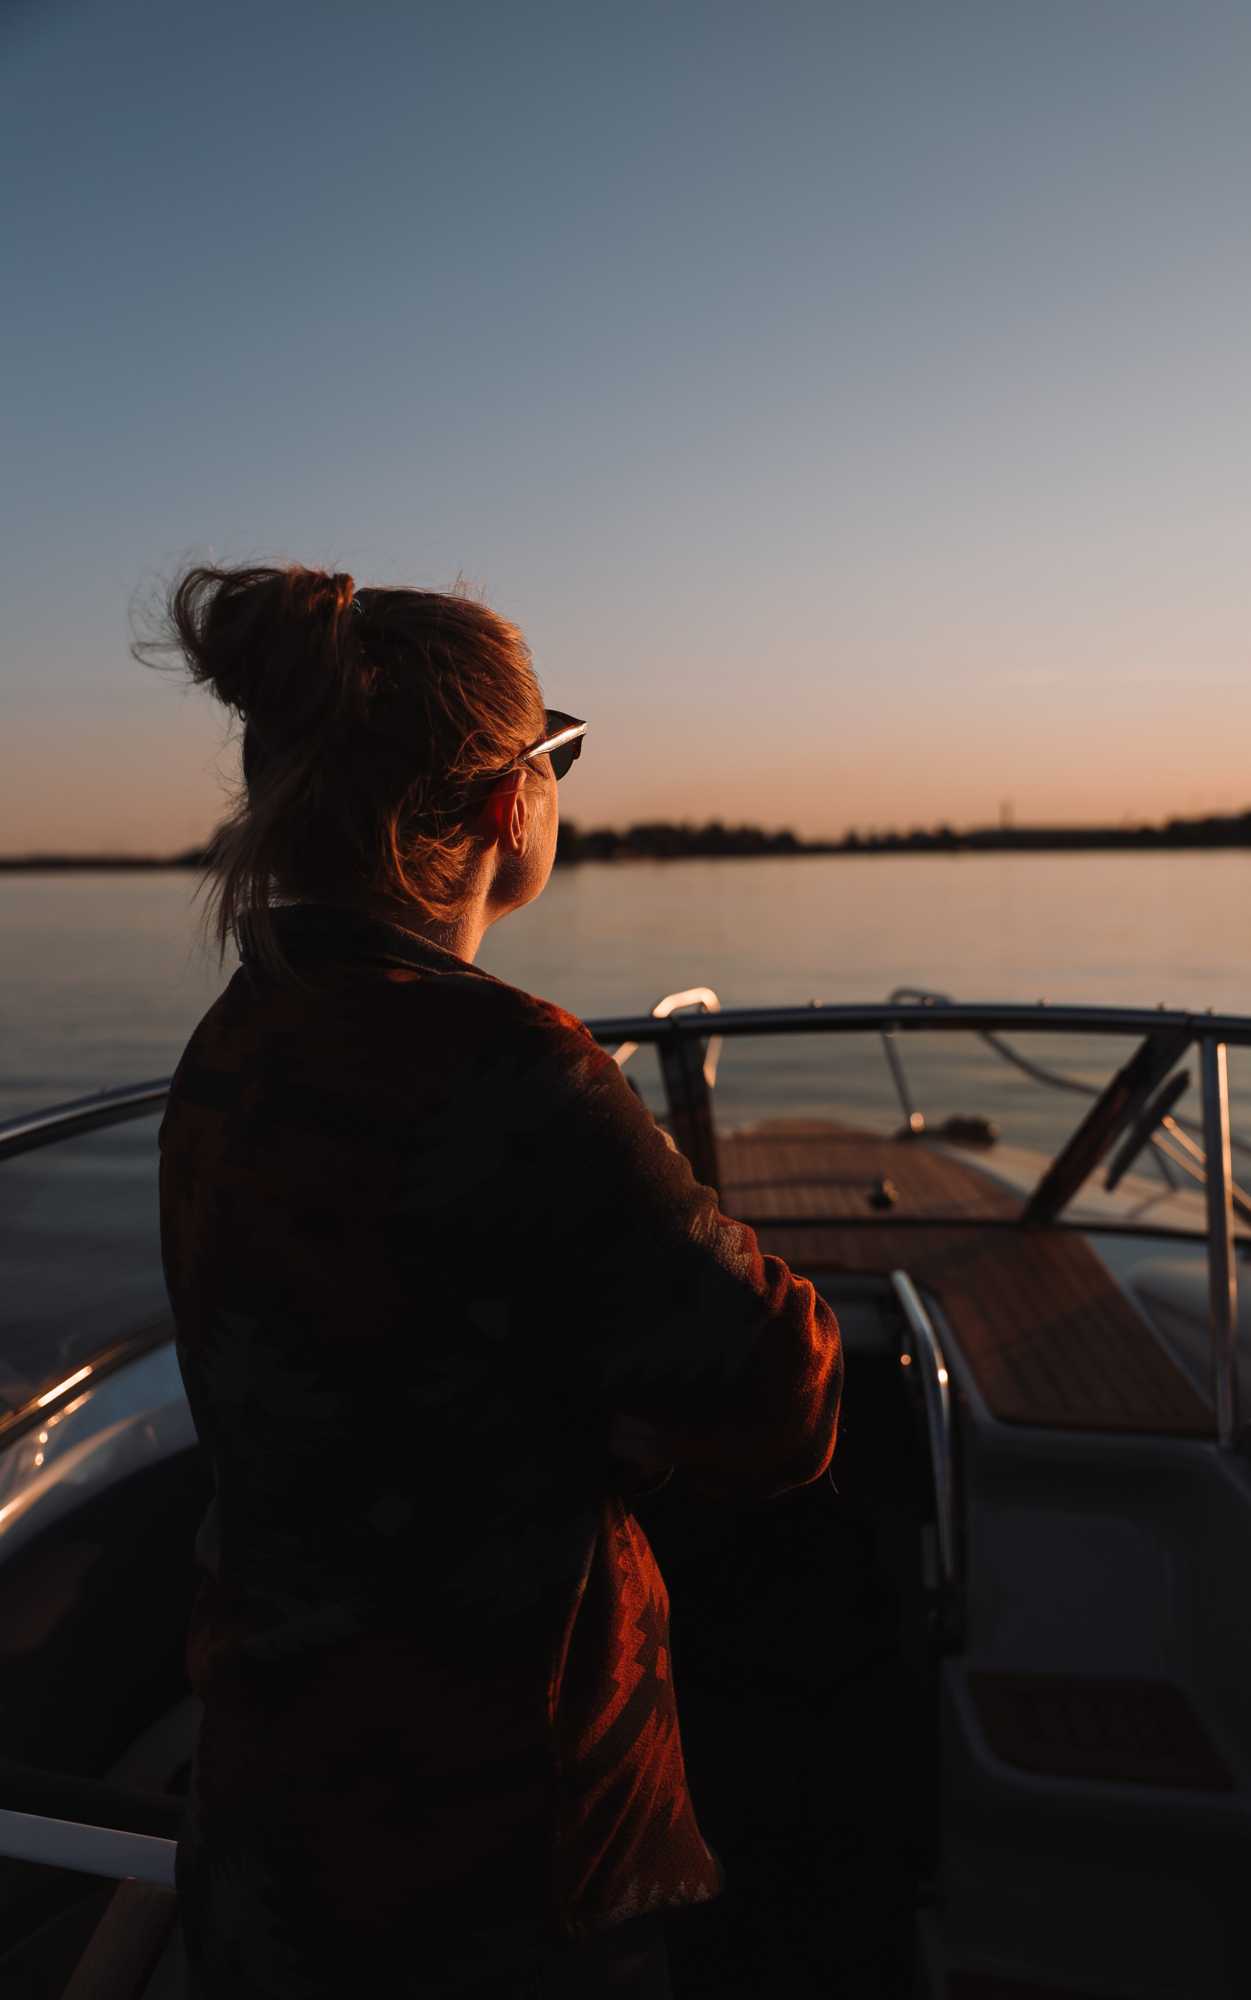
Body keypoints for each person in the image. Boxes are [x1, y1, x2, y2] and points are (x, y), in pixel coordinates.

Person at [154, 562, 843, 2000]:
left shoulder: (238, 1036)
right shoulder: (502, 1069)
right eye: (557, 756)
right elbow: (786, 1401)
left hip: (275, 1808)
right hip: (499, 1862)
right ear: (499, 804)